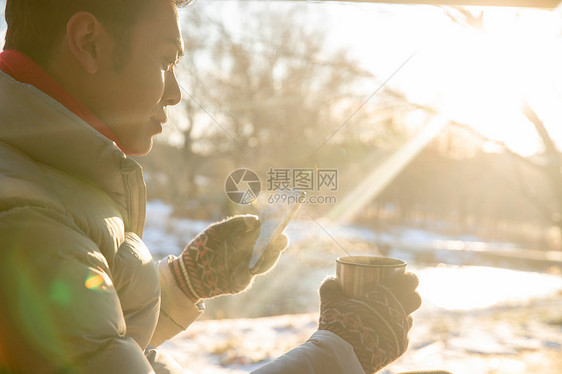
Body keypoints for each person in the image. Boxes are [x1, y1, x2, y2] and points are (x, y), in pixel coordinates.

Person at [0, 0, 421, 373]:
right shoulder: (31, 225)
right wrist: (343, 352)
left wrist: (186, 281)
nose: (176, 93)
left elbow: (96, 336)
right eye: (166, 60)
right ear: (88, 41)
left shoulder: (45, 179)